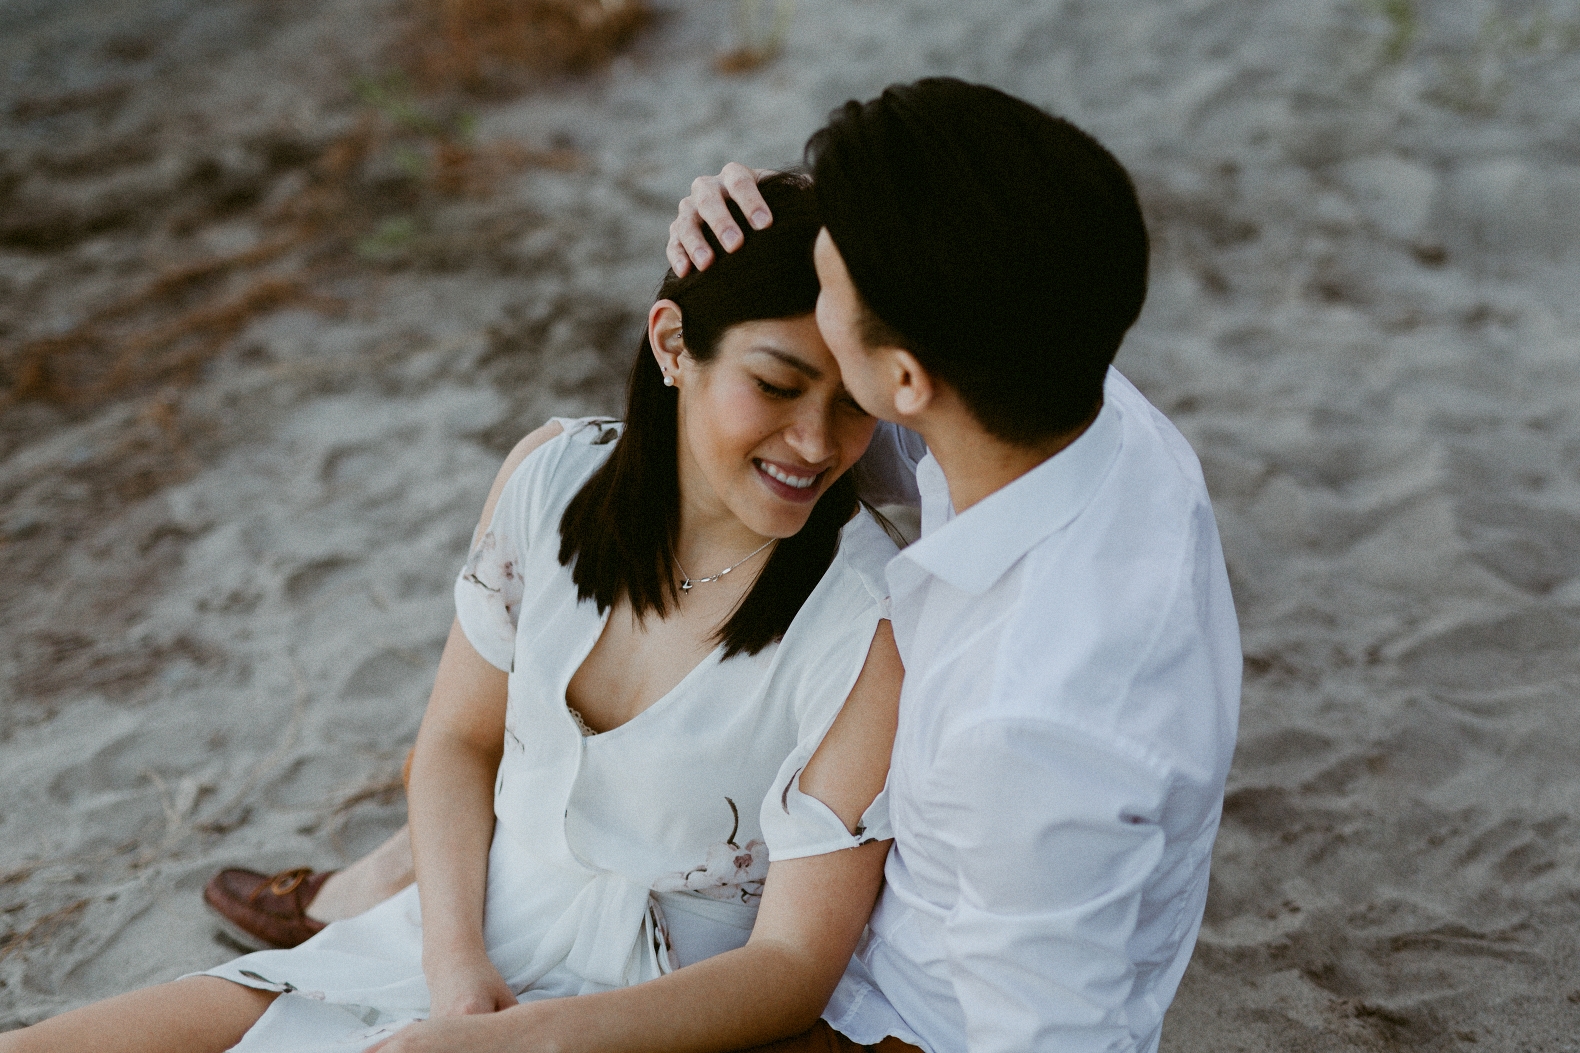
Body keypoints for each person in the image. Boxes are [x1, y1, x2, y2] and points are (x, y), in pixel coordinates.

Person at [0, 174, 911, 1053]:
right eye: (779, 385)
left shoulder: (861, 619)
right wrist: (455, 964)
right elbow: (457, 742)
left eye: (851, 402)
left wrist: (518, 1037)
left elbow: (794, 964)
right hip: (466, 916)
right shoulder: (550, 482)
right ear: (673, 345)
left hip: (648, 1005)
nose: (817, 442)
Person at [668, 78, 1242, 1053]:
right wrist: (751, 232)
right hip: (877, 910)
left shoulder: (1030, 722)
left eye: (824, 273)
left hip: (892, 1028)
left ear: (902, 378)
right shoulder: (1068, 389)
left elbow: (1053, 1037)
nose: (811, 272)